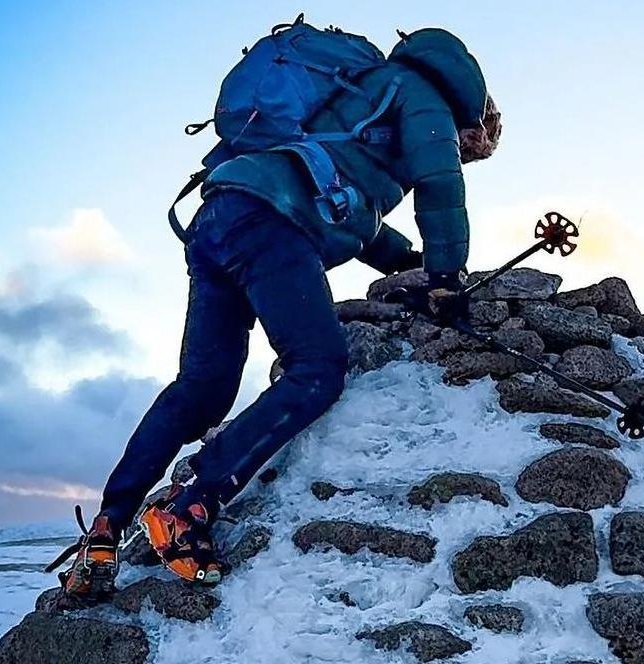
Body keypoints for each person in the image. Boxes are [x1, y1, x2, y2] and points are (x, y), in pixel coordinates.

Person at [50, 26, 501, 598]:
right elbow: (442, 187)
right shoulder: (424, 97)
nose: (459, 152)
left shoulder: (363, 99)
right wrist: (445, 276)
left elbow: (348, 212)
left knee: (202, 389)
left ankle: (107, 528)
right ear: (472, 121)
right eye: (467, 147)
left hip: (222, 214)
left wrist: (406, 261)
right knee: (317, 368)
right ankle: (192, 505)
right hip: (270, 225)